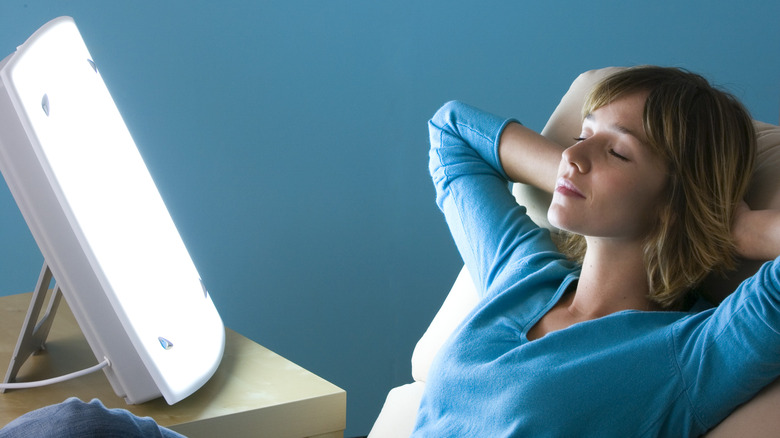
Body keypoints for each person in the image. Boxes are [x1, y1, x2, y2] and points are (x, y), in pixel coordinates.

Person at [413, 66, 780, 436]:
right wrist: (570, 178)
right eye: (582, 135)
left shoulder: (688, 354)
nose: (572, 153)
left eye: (617, 152)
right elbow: (451, 132)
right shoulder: (523, 272)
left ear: (675, 200)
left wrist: (745, 230)